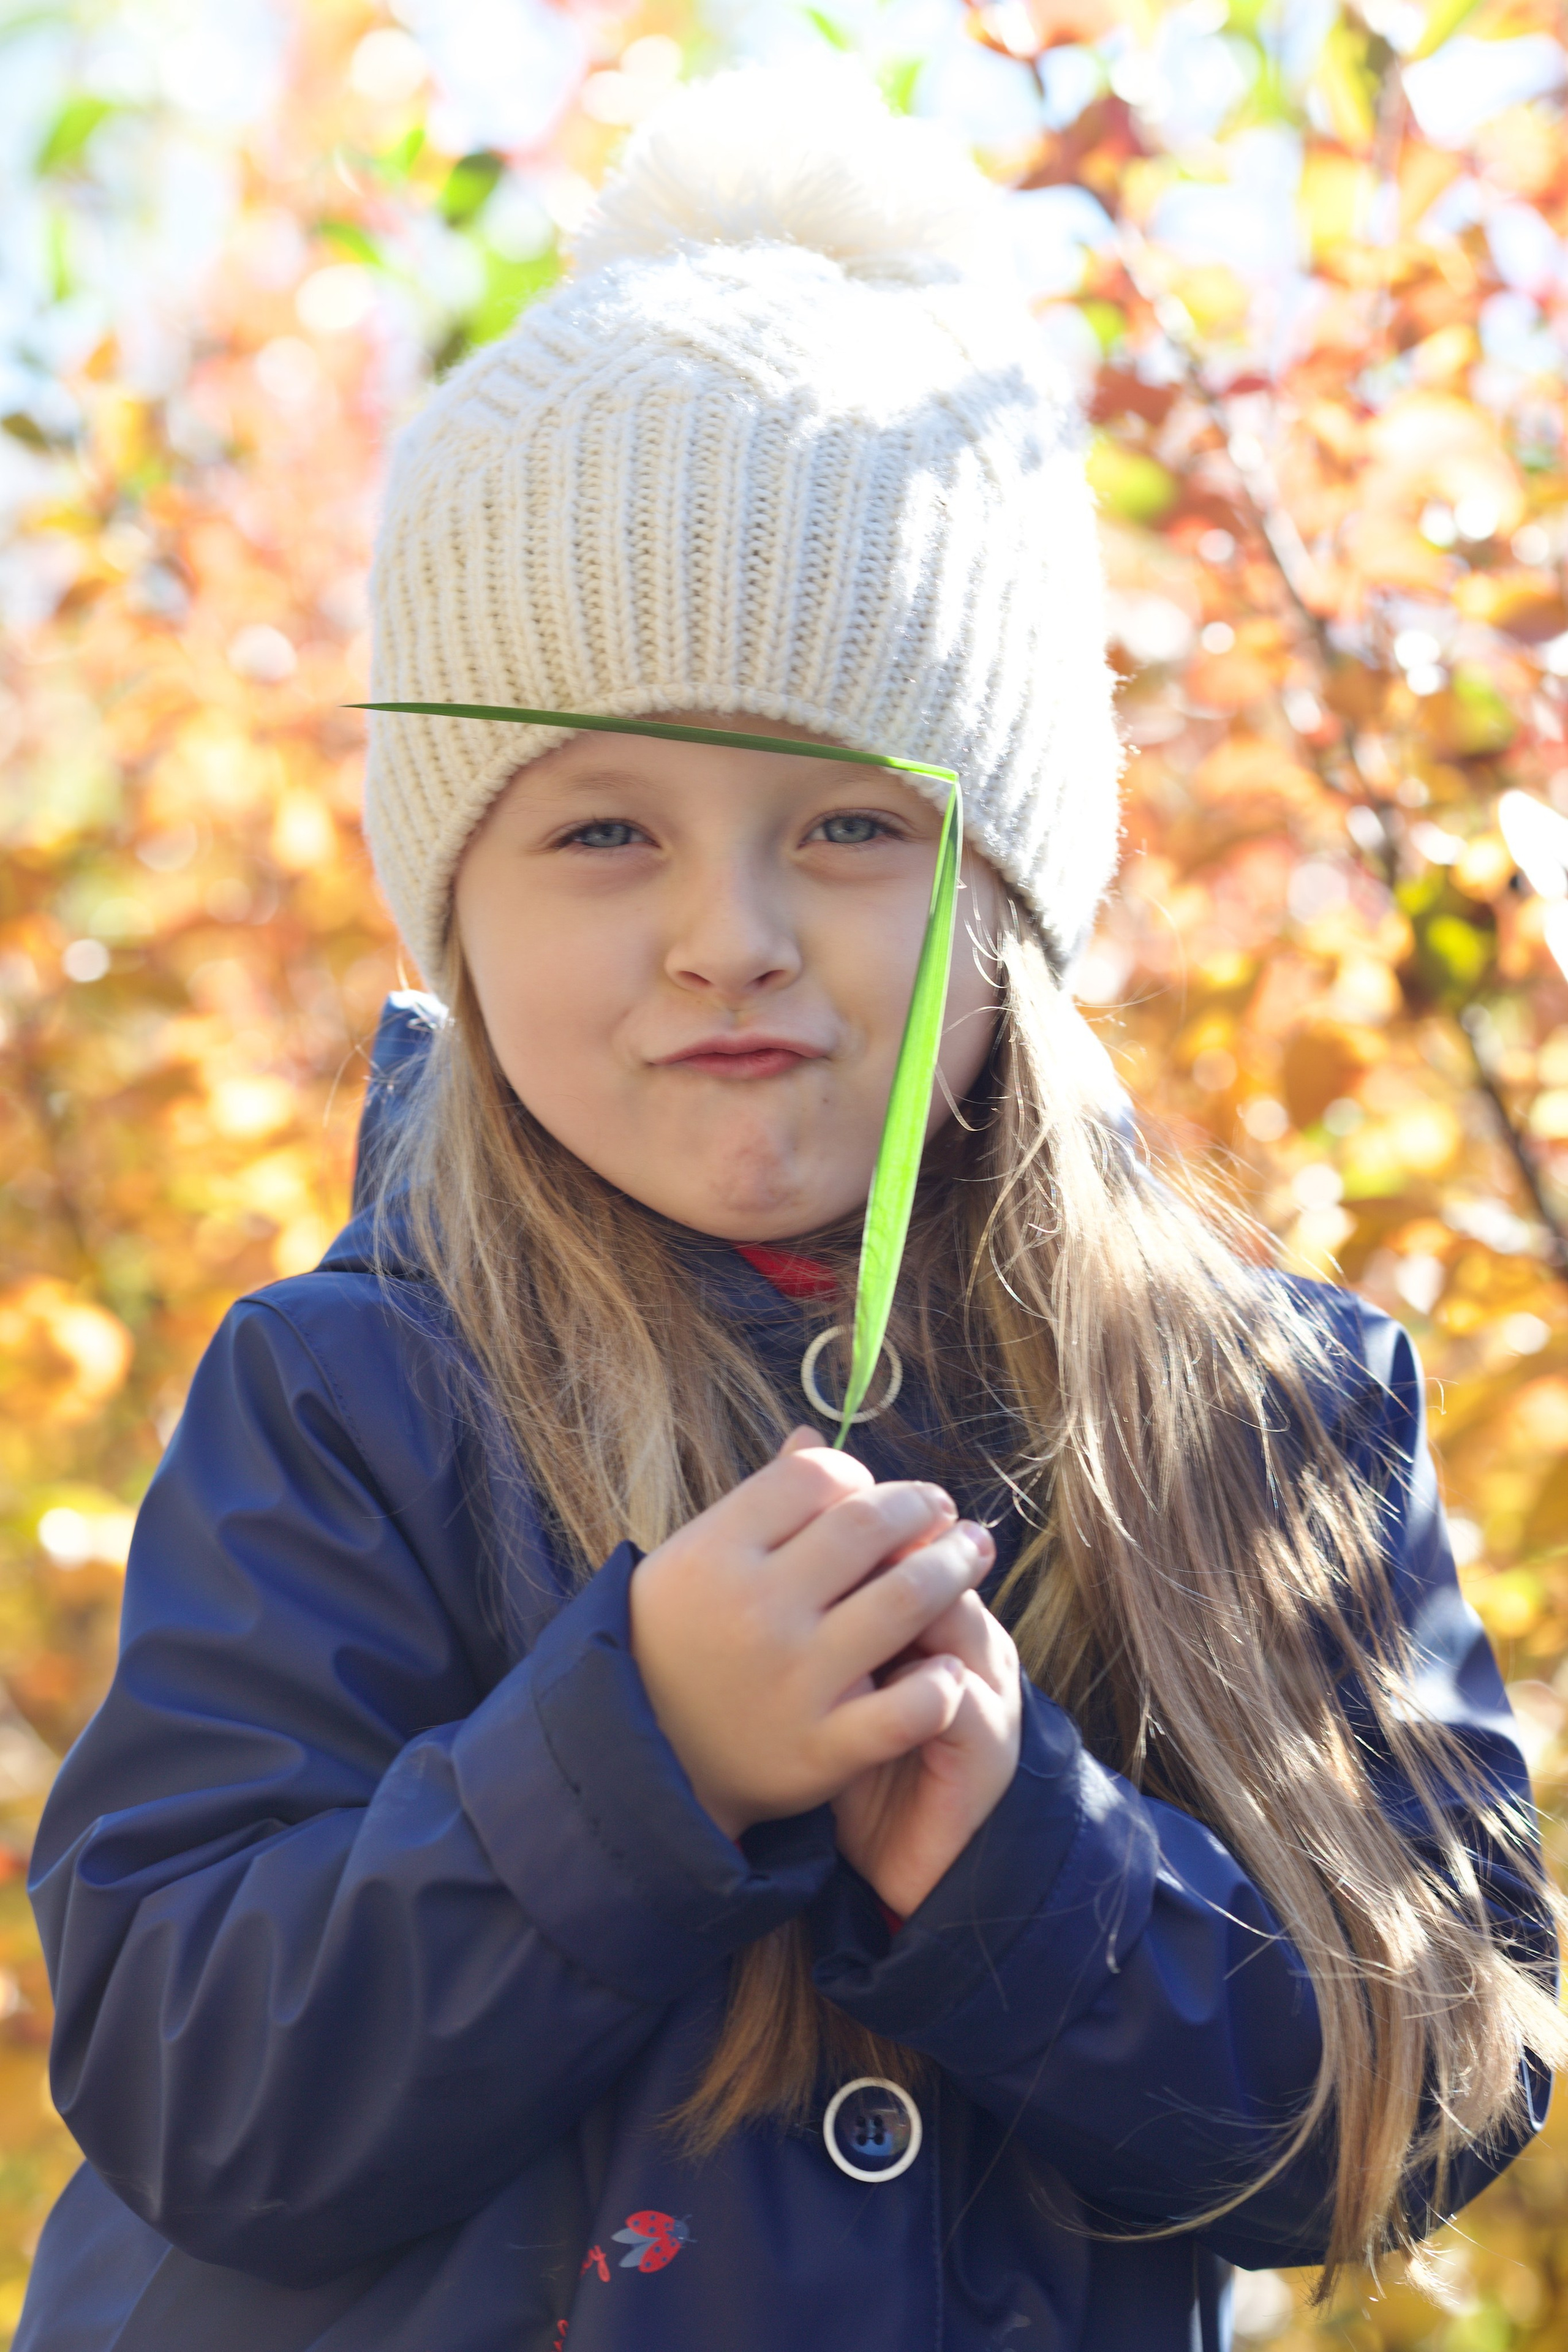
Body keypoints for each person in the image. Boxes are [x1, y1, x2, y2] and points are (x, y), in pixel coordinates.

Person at [16, 68, 1561, 2352]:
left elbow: (1430, 2085)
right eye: (602, 834)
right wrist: (629, 1762)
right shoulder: (355, 1397)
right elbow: (192, 2077)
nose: (728, 934)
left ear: (1011, 881)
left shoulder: (1247, 1413)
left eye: (848, 826)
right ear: (454, 908)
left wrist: (1029, 1861)